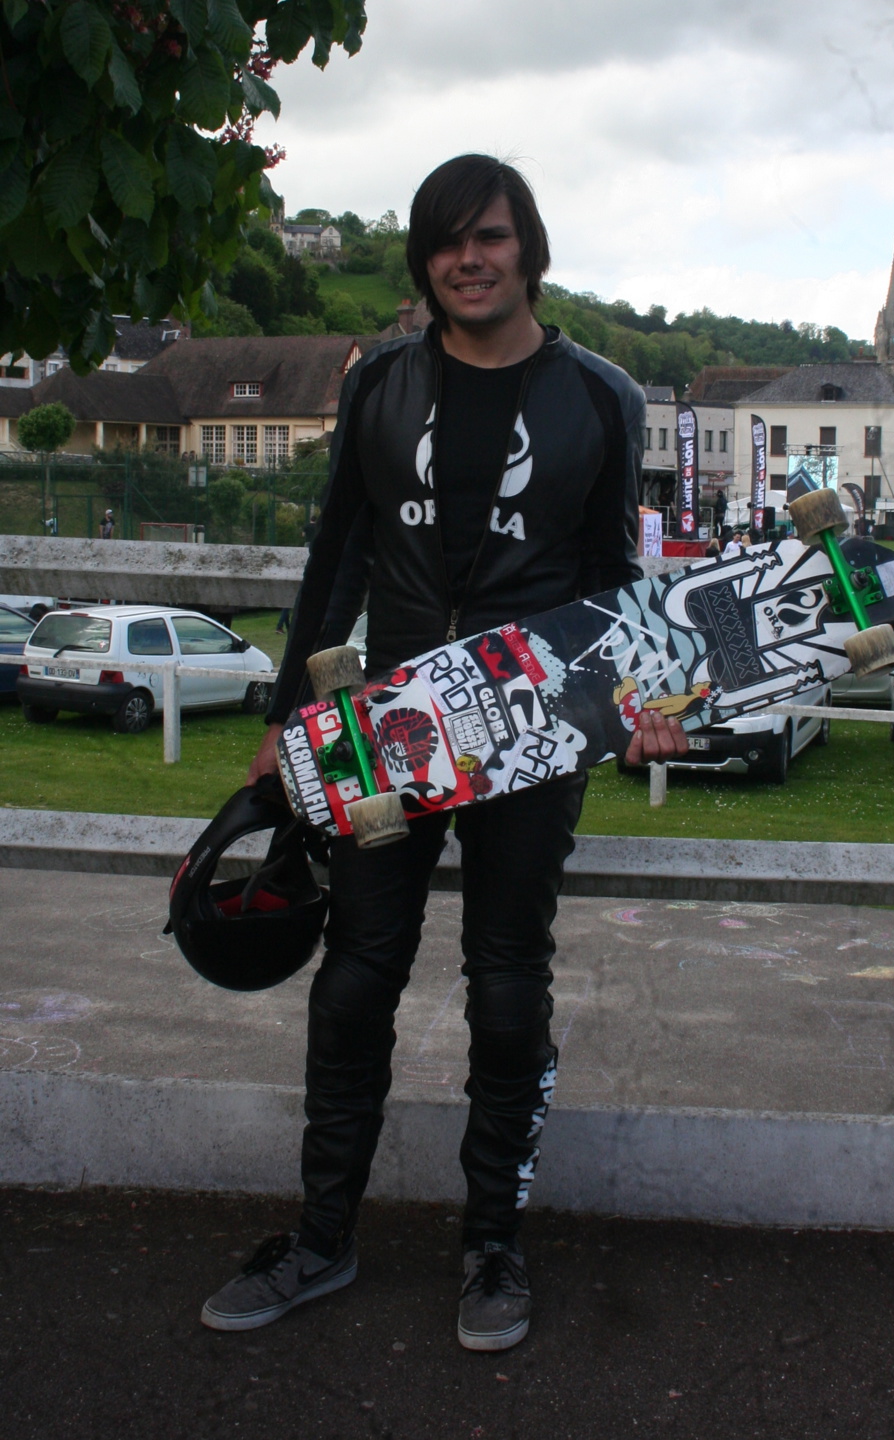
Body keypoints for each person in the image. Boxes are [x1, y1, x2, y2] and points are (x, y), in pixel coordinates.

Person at [200, 154, 688, 1351]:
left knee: (508, 982)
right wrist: (283, 718)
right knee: (357, 975)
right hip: (387, 723)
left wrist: (641, 700)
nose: (469, 259)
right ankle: (319, 1239)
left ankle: (491, 1252)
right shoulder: (379, 387)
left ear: (527, 248)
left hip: (534, 725)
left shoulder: (600, 398)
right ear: (425, 260)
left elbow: (614, 582)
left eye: (490, 237)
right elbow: (336, 560)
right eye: (446, 242)